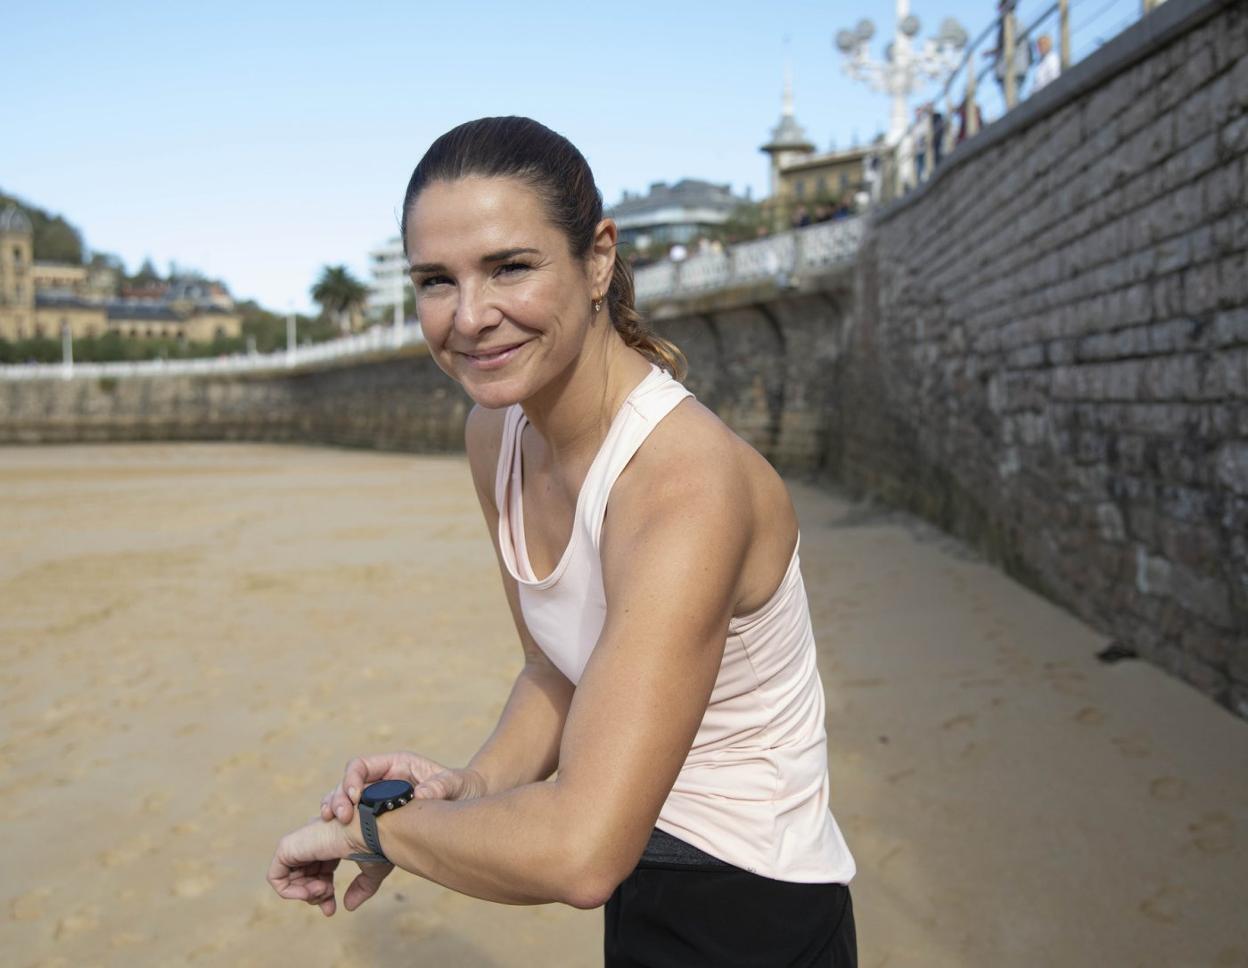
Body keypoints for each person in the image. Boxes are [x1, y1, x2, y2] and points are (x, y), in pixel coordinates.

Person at [266, 116, 857, 965]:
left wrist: (378, 830)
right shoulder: (495, 435)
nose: (471, 316)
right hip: (639, 871)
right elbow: (555, 668)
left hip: (753, 901)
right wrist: (466, 789)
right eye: (436, 281)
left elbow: (581, 851)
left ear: (599, 259)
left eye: (510, 267)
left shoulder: (685, 486)